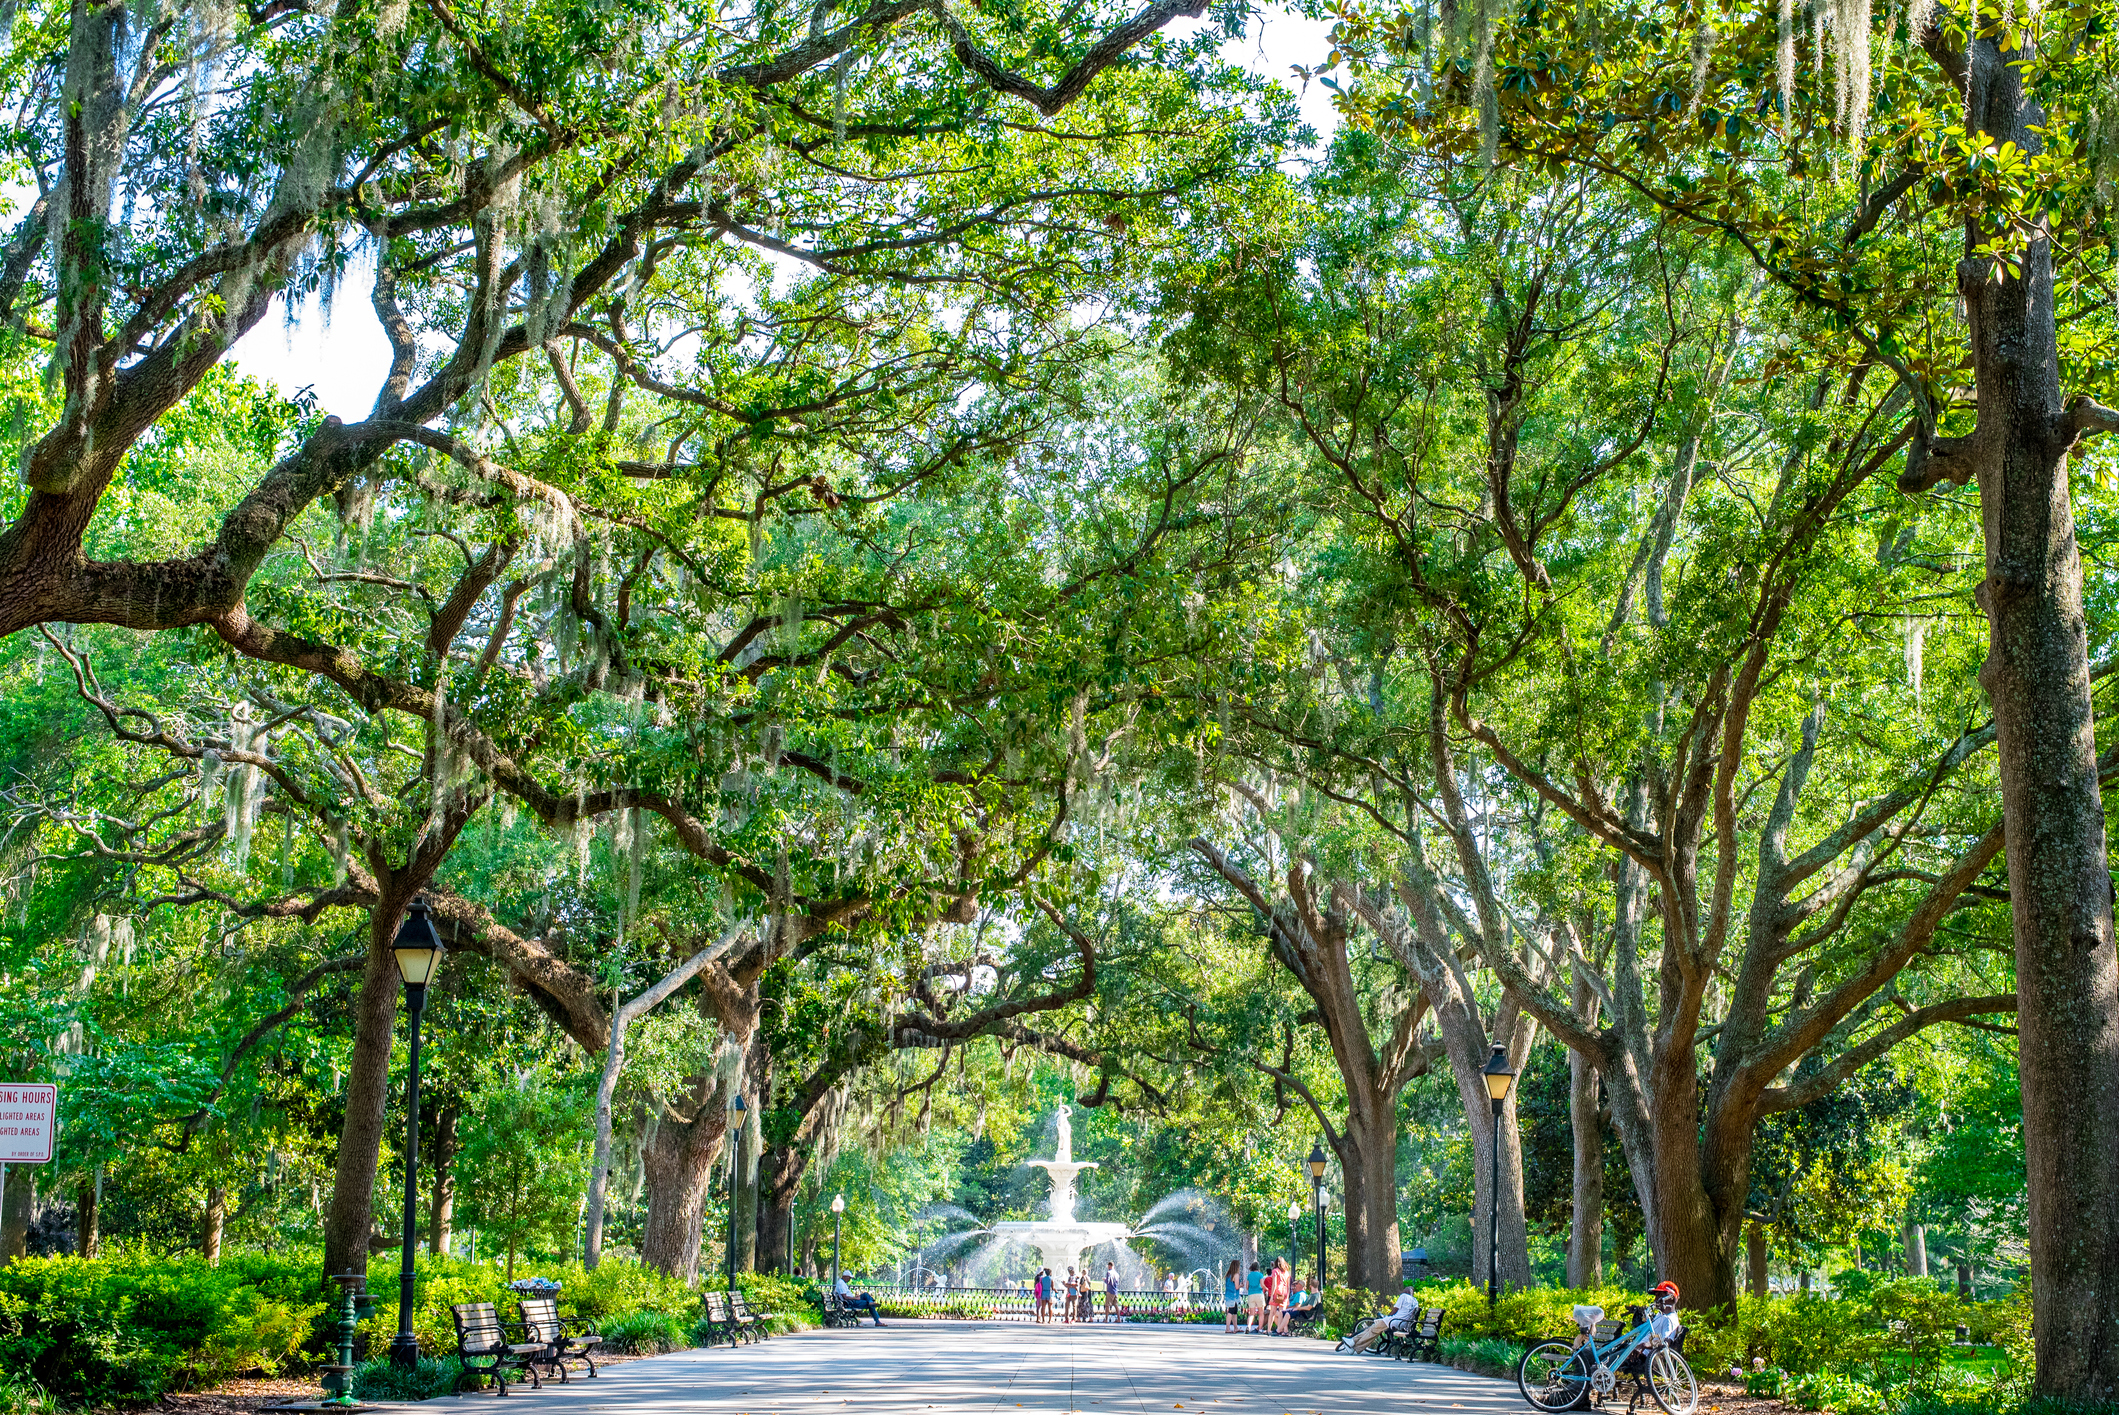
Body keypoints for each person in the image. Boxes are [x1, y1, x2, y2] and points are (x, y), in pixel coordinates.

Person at [1339, 1284, 1419, 1353]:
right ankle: (1353, 1344)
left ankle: (1353, 1344)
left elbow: (1395, 1310)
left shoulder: (1404, 1296)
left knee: (1372, 1330)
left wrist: (1387, 1317)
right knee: (1372, 1329)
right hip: (1403, 1323)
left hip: (1394, 1321)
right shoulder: (1415, 1301)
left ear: (1406, 1291)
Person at [1243, 1261, 1265, 1333]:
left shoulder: (1249, 1275)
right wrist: (1266, 1288)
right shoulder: (1260, 1275)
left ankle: (1248, 1327)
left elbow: (1247, 1287)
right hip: (1259, 1294)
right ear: (1258, 1268)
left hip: (1251, 1295)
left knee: (1251, 1313)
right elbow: (1262, 1285)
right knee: (1261, 1313)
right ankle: (1260, 1329)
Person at [1223, 1259, 1242, 1333]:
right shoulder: (1236, 1275)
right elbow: (1237, 1287)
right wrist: (1241, 1285)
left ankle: (1235, 1327)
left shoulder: (1228, 1275)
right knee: (1231, 1311)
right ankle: (1227, 1328)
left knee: (1234, 1311)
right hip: (1233, 1296)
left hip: (1229, 1295)